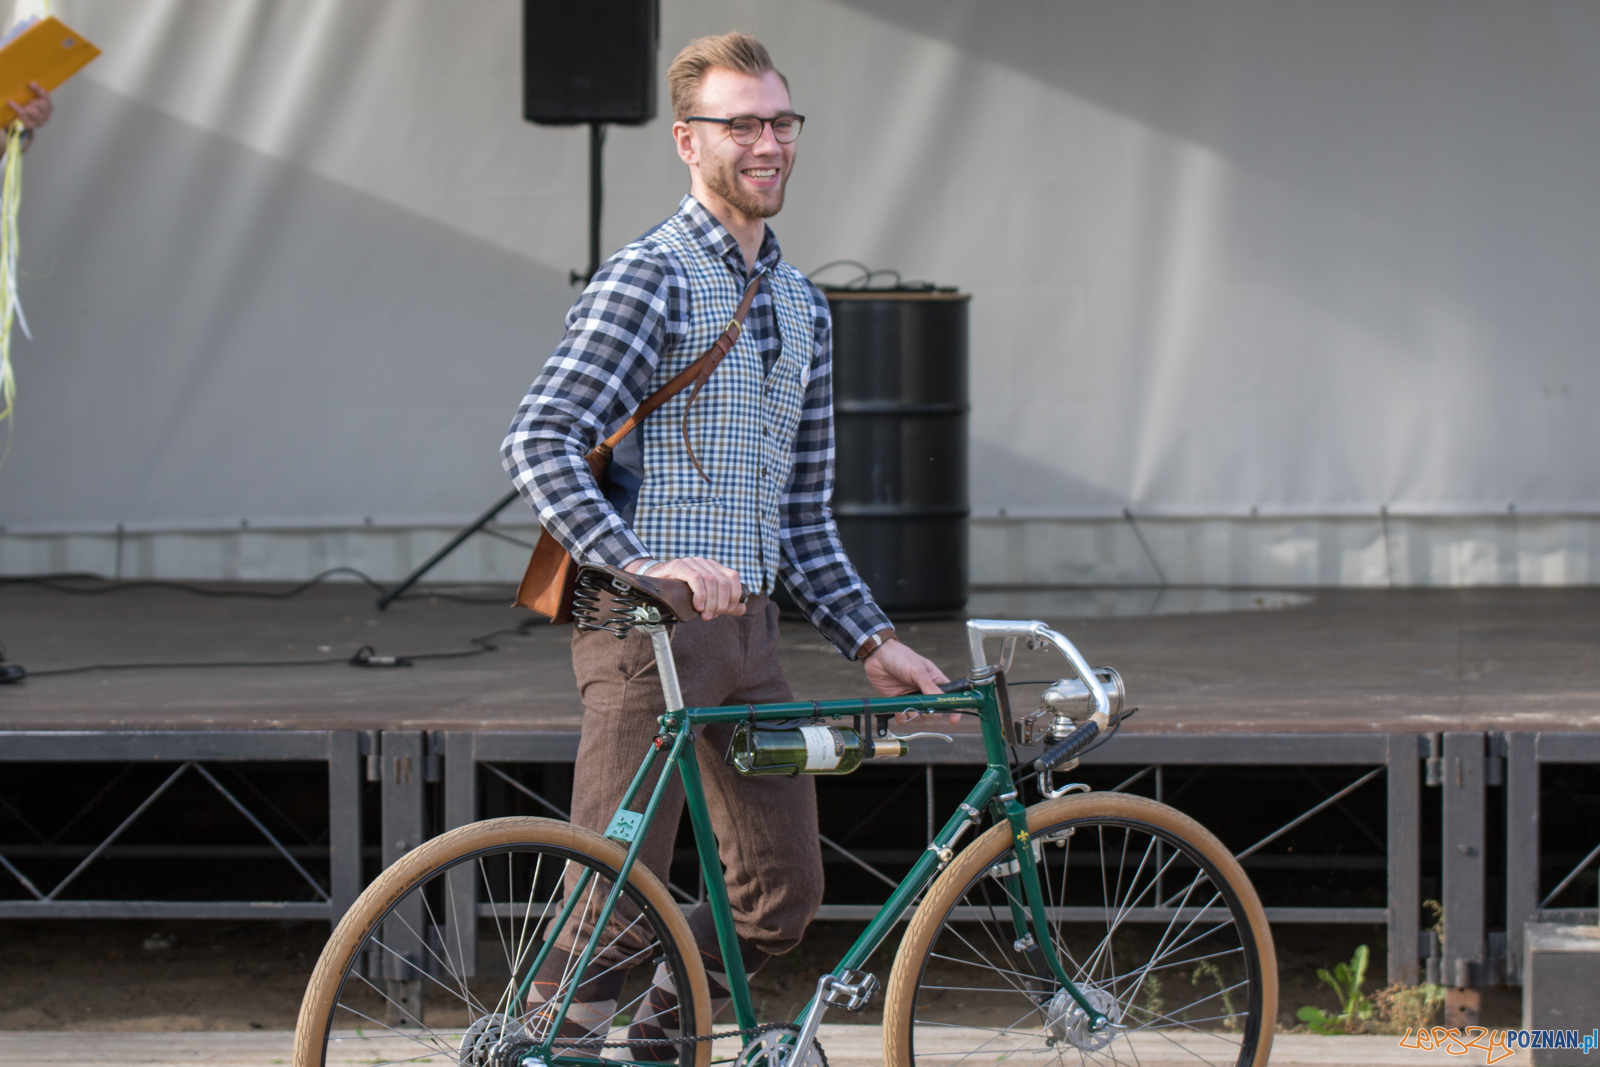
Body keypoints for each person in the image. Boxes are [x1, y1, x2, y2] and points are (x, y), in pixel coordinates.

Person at [501, 30, 949, 1055]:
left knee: (780, 897)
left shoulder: (801, 304)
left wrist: (869, 638)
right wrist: (637, 561)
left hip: (747, 637)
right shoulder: (649, 277)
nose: (767, 143)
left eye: (780, 121)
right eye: (739, 124)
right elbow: (538, 437)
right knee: (613, 903)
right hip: (637, 626)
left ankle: (670, 1035)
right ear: (687, 141)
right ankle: (539, 1050)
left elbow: (801, 515)